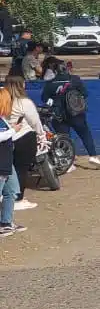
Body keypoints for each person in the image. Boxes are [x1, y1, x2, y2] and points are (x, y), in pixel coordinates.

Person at [40, 58, 100, 169]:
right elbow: (85, 94)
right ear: (66, 69)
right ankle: (93, 156)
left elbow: (44, 98)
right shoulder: (75, 80)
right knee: (85, 134)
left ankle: (69, 162)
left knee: (64, 138)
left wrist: (55, 102)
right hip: (75, 113)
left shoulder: (50, 83)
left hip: (58, 114)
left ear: (55, 71)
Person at [4, 74, 43, 212]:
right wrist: (41, 134)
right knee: (21, 169)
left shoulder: (4, 101)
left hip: (6, 140)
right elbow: (35, 121)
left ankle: (7, 196)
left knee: (8, 171)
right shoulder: (24, 102)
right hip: (23, 138)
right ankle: (18, 199)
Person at [0, 87, 22, 237]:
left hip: (7, 162)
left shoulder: (2, 119)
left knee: (12, 191)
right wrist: (13, 130)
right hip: (1, 163)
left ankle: (6, 223)